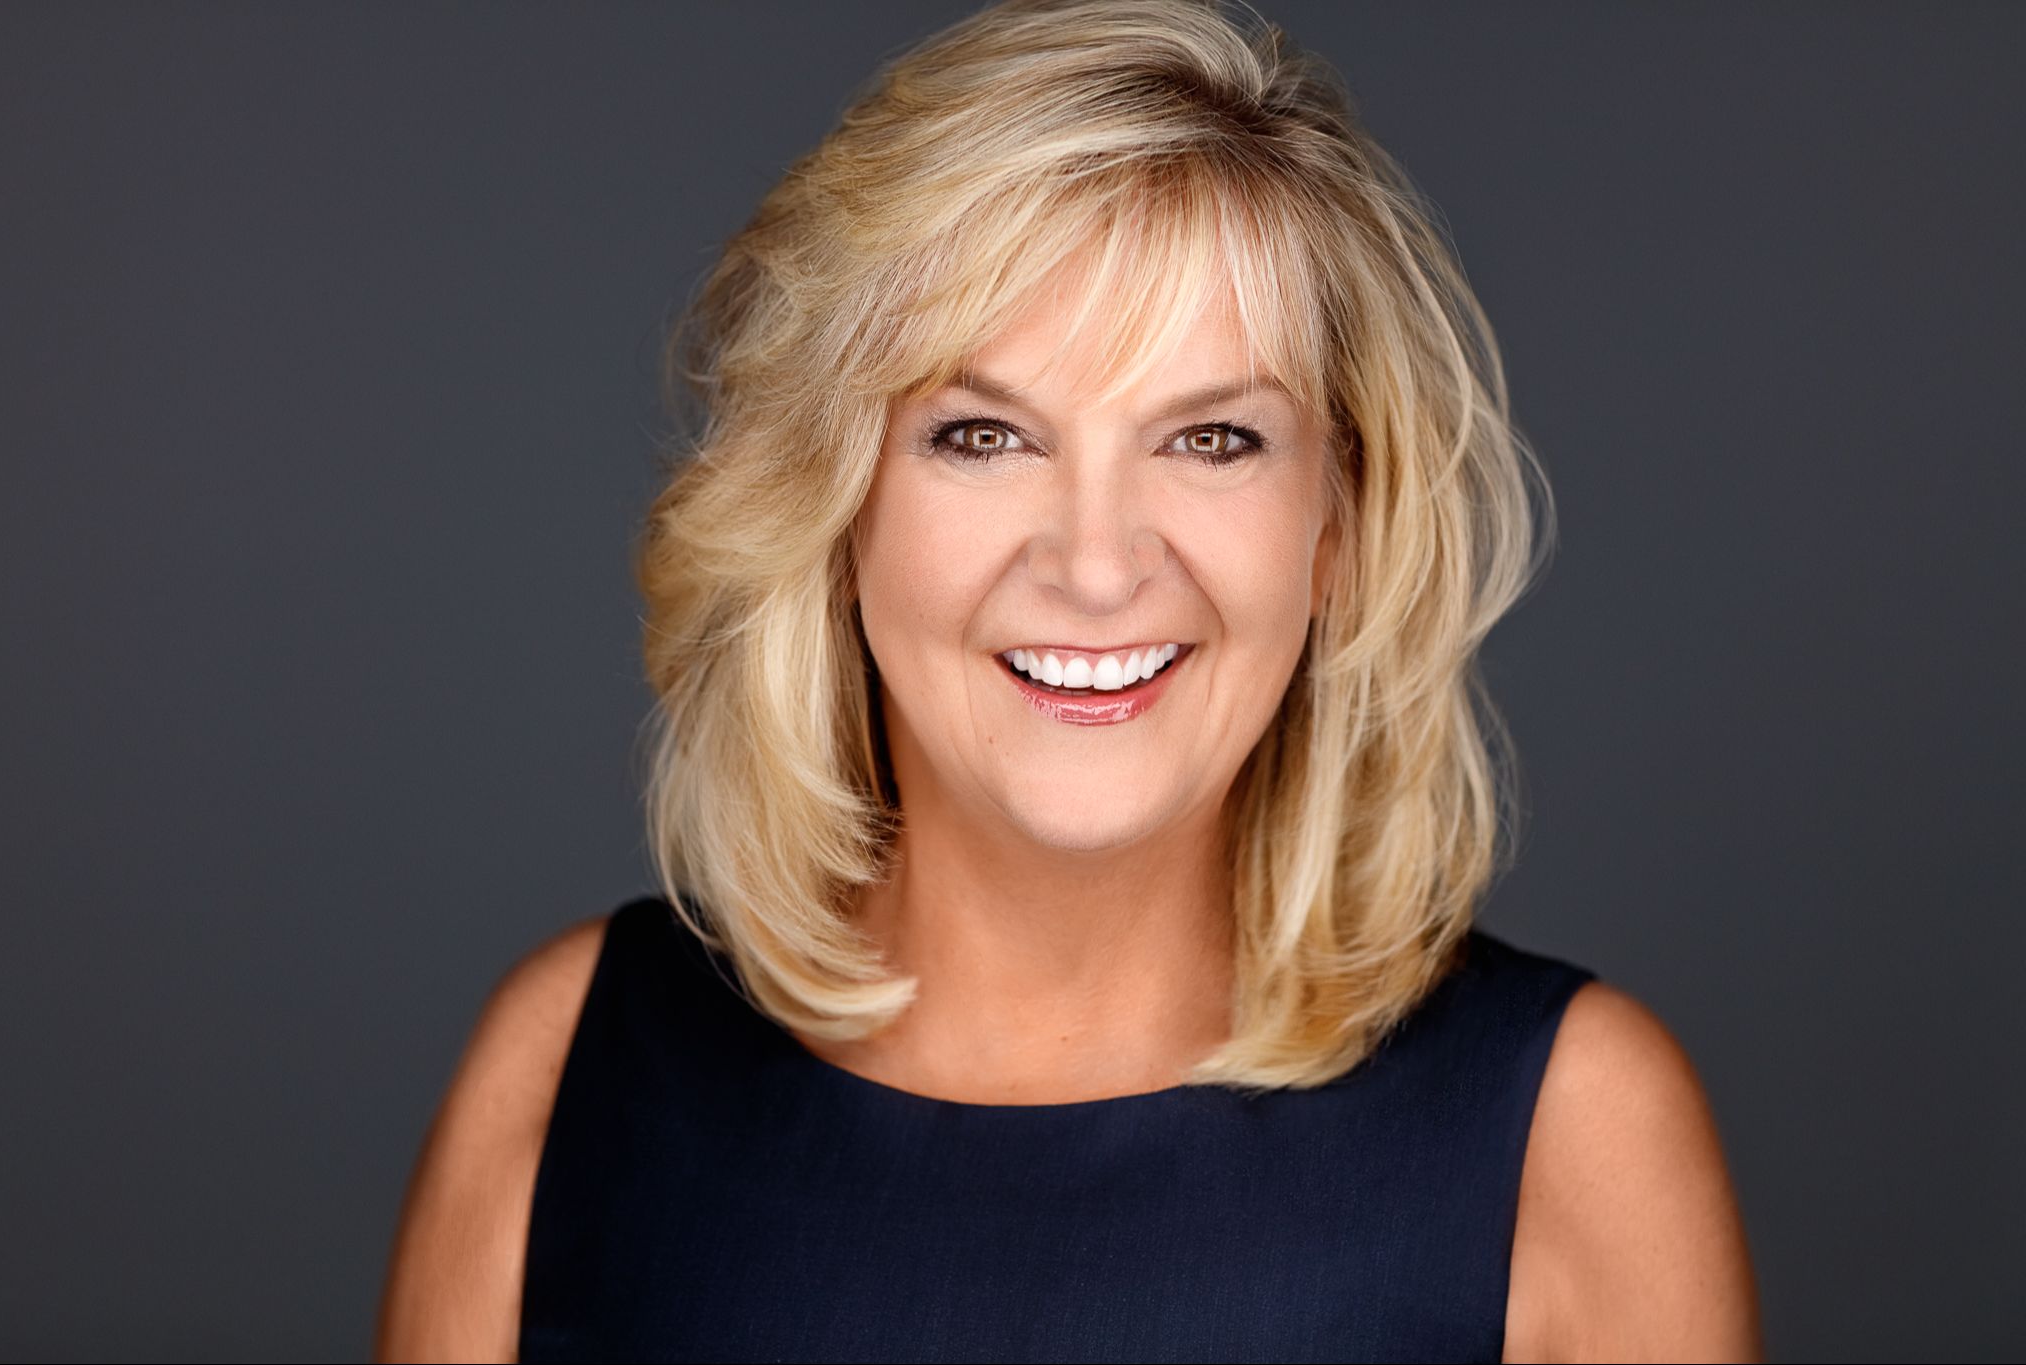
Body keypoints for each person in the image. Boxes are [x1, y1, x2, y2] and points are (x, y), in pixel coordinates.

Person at [375, 0, 1761, 1359]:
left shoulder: (1576, 1135)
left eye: (1212, 440)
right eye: (983, 436)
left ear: (1339, 527)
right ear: (836, 510)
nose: (1097, 567)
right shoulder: (565, 1069)